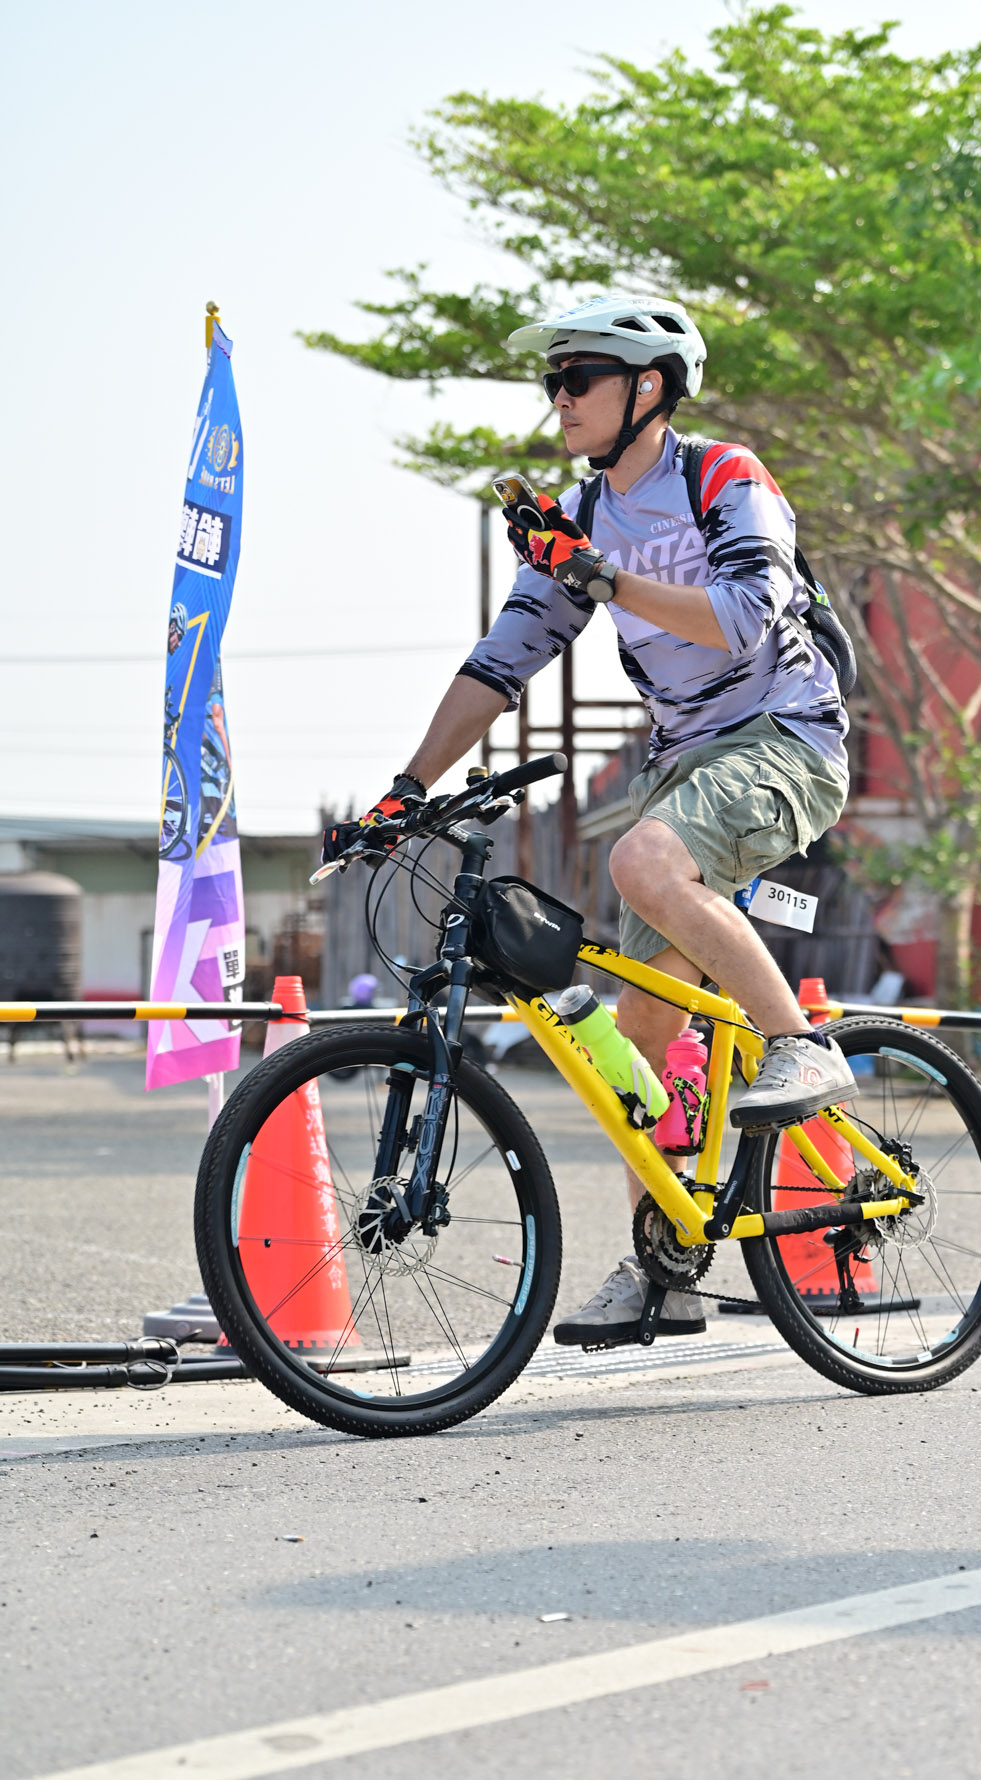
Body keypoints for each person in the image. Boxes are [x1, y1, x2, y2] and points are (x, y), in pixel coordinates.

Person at [332, 294, 856, 1345]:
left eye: (578, 379)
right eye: (553, 382)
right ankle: (667, 1267)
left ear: (648, 387)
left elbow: (745, 613)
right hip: (682, 763)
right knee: (642, 1040)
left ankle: (802, 1048)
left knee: (642, 861)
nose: (558, 399)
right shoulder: (582, 517)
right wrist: (407, 786)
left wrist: (603, 577)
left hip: (786, 737)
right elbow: (503, 660)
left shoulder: (723, 477)